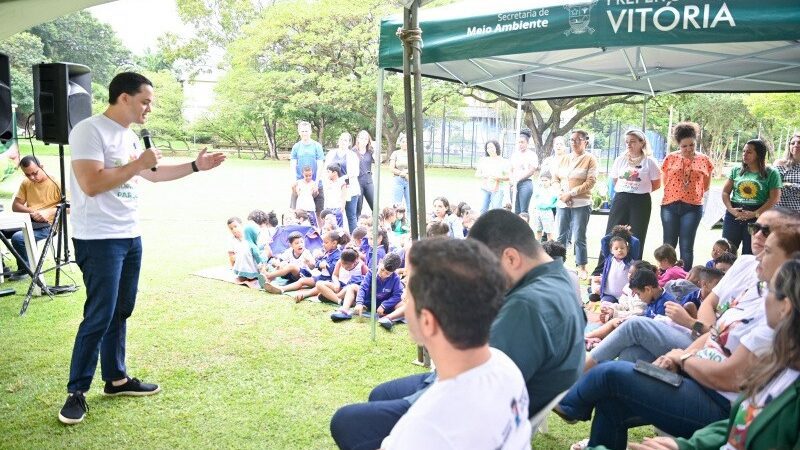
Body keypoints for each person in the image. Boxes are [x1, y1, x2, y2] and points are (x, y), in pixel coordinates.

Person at [329, 209, 584, 450]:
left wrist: (422, 405)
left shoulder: (528, 307)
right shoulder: (562, 280)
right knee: (380, 395)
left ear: (510, 258)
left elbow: (469, 383)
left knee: (347, 422)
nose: (485, 279)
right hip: (489, 391)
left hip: (473, 405)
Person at [59, 72, 225, 425]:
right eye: (145, 101)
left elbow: (152, 173)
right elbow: (90, 184)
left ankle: (116, 379)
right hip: (98, 238)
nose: (149, 108)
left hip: (129, 235)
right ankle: (76, 392)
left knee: (121, 310)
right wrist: (137, 163)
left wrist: (196, 166)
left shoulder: (130, 136)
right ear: (123, 97)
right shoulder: (89, 131)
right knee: (100, 314)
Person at [556, 220, 800, 449]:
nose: (759, 252)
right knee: (612, 399)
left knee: (610, 373)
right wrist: (679, 357)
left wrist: (683, 359)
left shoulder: (773, 324)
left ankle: (566, 401)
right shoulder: (757, 289)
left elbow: (729, 381)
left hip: (714, 399)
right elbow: (713, 334)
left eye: (768, 249)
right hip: (695, 379)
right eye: (756, 229)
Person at [627, 258, 800, 450]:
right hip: (698, 367)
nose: (762, 297)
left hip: (708, 382)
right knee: (626, 360)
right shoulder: (779, 367)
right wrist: (686, 446)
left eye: (768, 290)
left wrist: (684, 356)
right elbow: (739, 424)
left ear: (785, 307)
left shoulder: (781, 376)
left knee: (617, 363)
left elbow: (728, 380)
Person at [378, 238, 532, 450]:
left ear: (428, 322)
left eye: (409, 298)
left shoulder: (423, 428)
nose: (405, 303)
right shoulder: (506, 366)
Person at [660, 121, 714, 268]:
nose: (689, 149)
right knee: (668, 244)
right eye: (684, 146)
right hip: (669, 206)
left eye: (692, 145)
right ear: (678, 145)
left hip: (693, 207)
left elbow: (706, 185)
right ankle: (666, 275)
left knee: (686, 245)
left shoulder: (704, 160)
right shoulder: (670, 158)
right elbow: (665, 180)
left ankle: (685, 277)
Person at [3, 155, 61, 279]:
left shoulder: (56, 182)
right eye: (27, 175)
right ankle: (2, 268)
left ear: (42, 167)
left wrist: (48, 212)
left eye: (35, 173)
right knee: (1, 230)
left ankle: (26, 269)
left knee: (18, 237)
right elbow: (16, 206)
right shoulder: (26, 183)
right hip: (29, 220)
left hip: (49, 225)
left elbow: (70, 207)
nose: (32, 177)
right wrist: (33, 211)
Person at [721, 139, 782, 255]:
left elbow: (774, 198)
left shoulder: (771, 173)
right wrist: (731, 210)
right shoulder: (736, 170)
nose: (744, 154)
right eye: (743, 151)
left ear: (759, 154)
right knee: (726, 251)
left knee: (750, 253)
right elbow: (725, 192)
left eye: (749, 152)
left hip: (757, 216)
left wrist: (754, 214)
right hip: (734, 214)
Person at [605, 129, 661, 252]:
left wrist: (639, 189)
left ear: (642, 143)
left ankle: (635, 263)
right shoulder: (620, 159)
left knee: (637, 234)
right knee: (612, 232)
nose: (629, 144)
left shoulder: (649, 161)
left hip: (641, 201)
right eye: (627, 142)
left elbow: (656, 184)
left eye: (633, 141)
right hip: (621, 198)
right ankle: (606, 262)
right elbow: (615, 180)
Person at [553, 129, 598, 279]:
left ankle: (581, 266)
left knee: (579, 236)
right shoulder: (563, 159)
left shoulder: (590, 159)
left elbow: (590, 182)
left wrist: (571, 193)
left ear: (586, 142)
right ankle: (558, 264)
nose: (574, 142)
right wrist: (561, 194)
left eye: (578, 139)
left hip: (581, 203)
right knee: (561, 235)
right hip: (563, 203)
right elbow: (555, 179)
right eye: (572, 139)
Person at [330, 252, 403, 322]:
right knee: (352, 287)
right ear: (380, 262)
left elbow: (397, 295)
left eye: (387, 273)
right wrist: (359, 303)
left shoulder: (396, 278)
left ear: (393, 272)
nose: (383, 274)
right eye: (382, 270)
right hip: (369, 302)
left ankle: (388, 318)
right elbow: (363, 287)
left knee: (404, 303)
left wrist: (384, 305)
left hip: (384, 306)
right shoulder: (371, 272)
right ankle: (344, 311)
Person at [326, 132, 360, 232]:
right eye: (341, 139)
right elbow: (326, 170)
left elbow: (355, 172)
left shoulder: (352, 155)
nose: (342, 142)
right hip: (335, 191)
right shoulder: (331, 154)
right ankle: (335, 236)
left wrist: (342, 179)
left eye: (345, 140)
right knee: (333, 215)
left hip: (350, 189)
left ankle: (354, 238)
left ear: (349, 143)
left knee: (351, 215)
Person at [289, 121, 324, 215]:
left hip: (315, 183)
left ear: (310, 131)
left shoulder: (317, 146)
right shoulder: (296, 147)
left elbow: (320, 165)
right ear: (299, 132)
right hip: (300, 184)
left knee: (319, 213)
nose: (304, 133)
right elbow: (293, 165)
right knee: (296, 213)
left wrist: (316, 183)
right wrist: (294, 182)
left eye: (306, 131)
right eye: (302, 131)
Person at [475, 139, 510, 213]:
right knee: (483, 210)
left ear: (496, 147)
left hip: (497, 190)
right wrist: (484, 175)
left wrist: (498, 178)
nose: (489, 149)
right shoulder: (483, 160)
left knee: (496, 210)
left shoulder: (503, 161)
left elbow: (508, 177)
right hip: (485, 189)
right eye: (488, 148)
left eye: (491, 147)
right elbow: (477, 174)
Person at [510, 130, 539, 214]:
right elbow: (510, 169)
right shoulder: (515, 155)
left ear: (527, 143)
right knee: (515, 209)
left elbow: (531, 171)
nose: (520, 144)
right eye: (519, 142)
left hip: (526, 183)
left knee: (523, 211)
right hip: (514, 184)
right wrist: (512, 181)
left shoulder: (532, 155)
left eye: (522, 142)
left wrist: (518, 179)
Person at [775, 132, 800, 212]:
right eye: (792, 143)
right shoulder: (779, 163)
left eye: (799, 142)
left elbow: (782, 186)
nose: (795, 145)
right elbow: (775, 186)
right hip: (780, 209)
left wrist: (787, 185)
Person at [354, 130, 376, 217]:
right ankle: (357, 225)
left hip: (368, 181)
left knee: (375, 206)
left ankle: (375, 224)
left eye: (366, 139)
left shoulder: (370, 151)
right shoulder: (353, 151)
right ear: (358, 139)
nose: (364, 140)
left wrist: (375, 149)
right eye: (362, 138)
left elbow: (379, 161)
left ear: (368, 141)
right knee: (358, 208)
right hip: (357, 181)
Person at [389, 133, 410, 212]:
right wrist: (403, 174)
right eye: (403, 142)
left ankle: (410, 219)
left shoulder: (413, 153)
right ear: (400, 143)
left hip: (409, 180)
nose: (405, 143)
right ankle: (396, 219)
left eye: (407, 142)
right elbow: (391, 168)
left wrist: (407, 172)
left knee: (410, 204)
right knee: (397, 205)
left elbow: (415, 167)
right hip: (398, 180)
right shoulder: (395, 153)